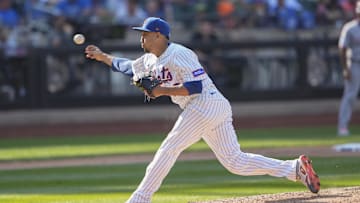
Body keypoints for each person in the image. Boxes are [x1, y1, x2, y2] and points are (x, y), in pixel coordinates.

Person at [84, 17, 320, 203]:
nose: (141, 38)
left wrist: (161, 91)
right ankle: (293, 168)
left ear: (159, 35)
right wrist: (102, 56)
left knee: (169, 148)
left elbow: (195, 87)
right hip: (208, 108)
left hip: (204, 103)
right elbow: (126, 66)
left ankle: (140, 198)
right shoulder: (148, 60)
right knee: (235, 162)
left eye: (145, 34)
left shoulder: (179, 53)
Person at [337, 1, 360, 136]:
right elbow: (342, 48)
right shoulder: (350, 28)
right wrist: (345, 68)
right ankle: (342, 127)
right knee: (350, 96)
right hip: (355, 63)